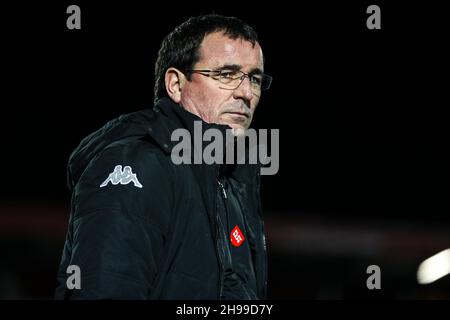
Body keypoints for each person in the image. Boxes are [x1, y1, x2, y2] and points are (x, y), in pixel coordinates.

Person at [55, 14, 272, 299]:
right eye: (226, 74)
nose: (246, 93)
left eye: (254, 79)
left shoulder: (228, 181)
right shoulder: (137, 165)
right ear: (176, 85)